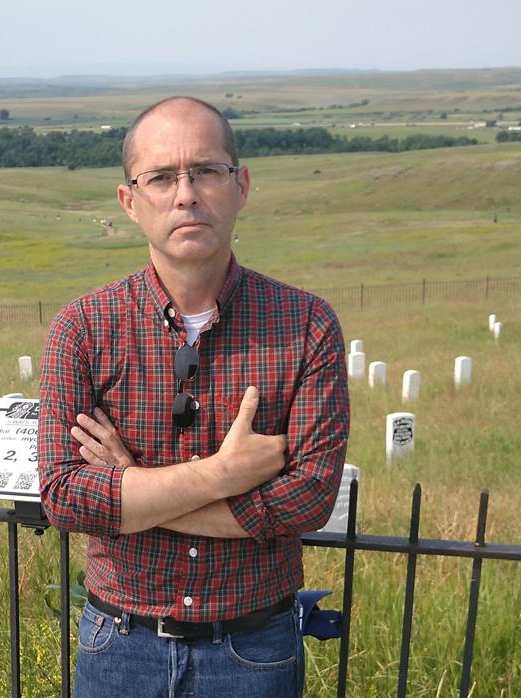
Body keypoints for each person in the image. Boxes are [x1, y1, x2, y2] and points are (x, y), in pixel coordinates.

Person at [37, 96, 350, 697]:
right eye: (160, 177)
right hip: (118, 646)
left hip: (253, 649)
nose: (186, 194)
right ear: (130, 201)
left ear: (242, 185)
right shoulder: (84, 326)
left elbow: (308, 499)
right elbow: (64, 497)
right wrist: (223, 474)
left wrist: (132, 483)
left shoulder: (306, 324)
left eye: (206, 171)